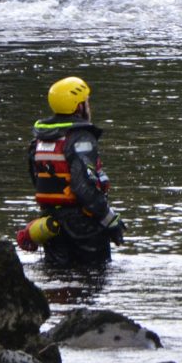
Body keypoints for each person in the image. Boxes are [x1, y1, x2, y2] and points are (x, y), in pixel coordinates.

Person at [16, 75, 126, 264]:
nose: (88, 106)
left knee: (58, 277)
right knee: (93, 281)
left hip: (51, 225)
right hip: (83, 227)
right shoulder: (81, 139)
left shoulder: (39, 140)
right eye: (86, 102)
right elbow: (83, 187)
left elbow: (38, 181)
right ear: (78, 107)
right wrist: (110, 221)